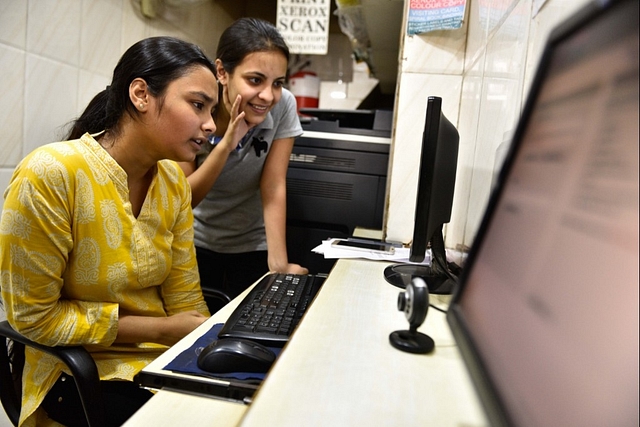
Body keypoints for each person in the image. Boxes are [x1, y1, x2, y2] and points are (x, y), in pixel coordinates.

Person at [0, 36, 217, 427]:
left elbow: (187, 299)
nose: (211, 124)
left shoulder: (173, 183)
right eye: (198, 105)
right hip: (77, 373)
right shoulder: (50, 174)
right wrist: (164, 329)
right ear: (141, 94)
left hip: (160, 362)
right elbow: (34, 320)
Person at [179, 18, 308, 302]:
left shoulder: (284, 104)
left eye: (277, 83)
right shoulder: (197, 107)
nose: (268, 95)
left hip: (253, 243)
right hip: (194, 242)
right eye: (255, 80)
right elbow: (183, 198)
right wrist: (226, 145)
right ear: (222, 72)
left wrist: (279, 266)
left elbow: (273, 184)